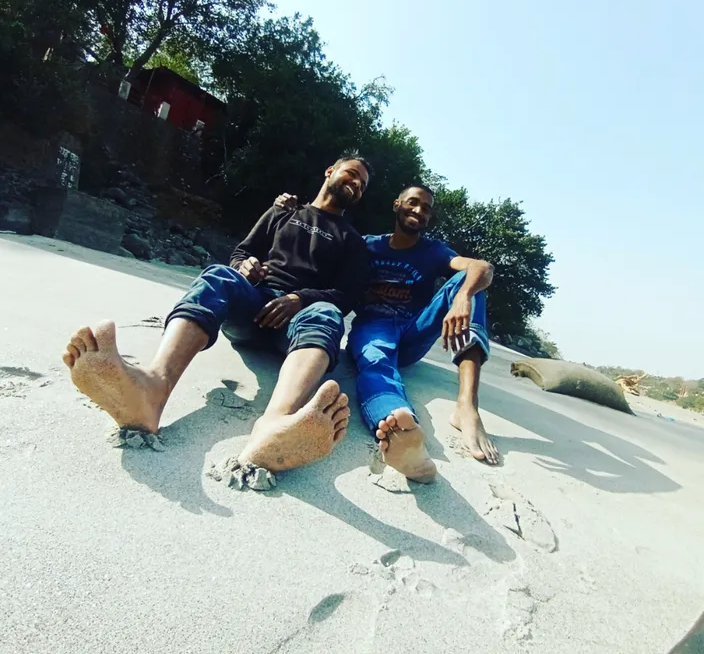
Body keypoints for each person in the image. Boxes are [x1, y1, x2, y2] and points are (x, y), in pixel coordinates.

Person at [62, 153, 372, 475]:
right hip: (252, 308)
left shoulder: (353, 242)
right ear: (330, 170)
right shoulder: (283, 211)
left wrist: (299, 298)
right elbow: (242, 251)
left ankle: (275, 425)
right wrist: (245, 266)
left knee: (327, 312)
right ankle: (152, 389)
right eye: (352, 174)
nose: (355, 184)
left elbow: (346, 296)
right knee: (219, 275)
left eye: (362, 185)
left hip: (299, 326)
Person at [274, 183, 498, 484]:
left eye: (426, 208)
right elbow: (315, 243)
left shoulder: (433, 250)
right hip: (373, 325)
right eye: (413, 203)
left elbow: (481, 267)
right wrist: (286, 209)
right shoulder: (366, 245)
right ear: (397, 204)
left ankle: (467, 407)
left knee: (470, 284)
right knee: (376, 360)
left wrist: (463, 296)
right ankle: (397, 427)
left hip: (414, 330)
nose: (419, 211)